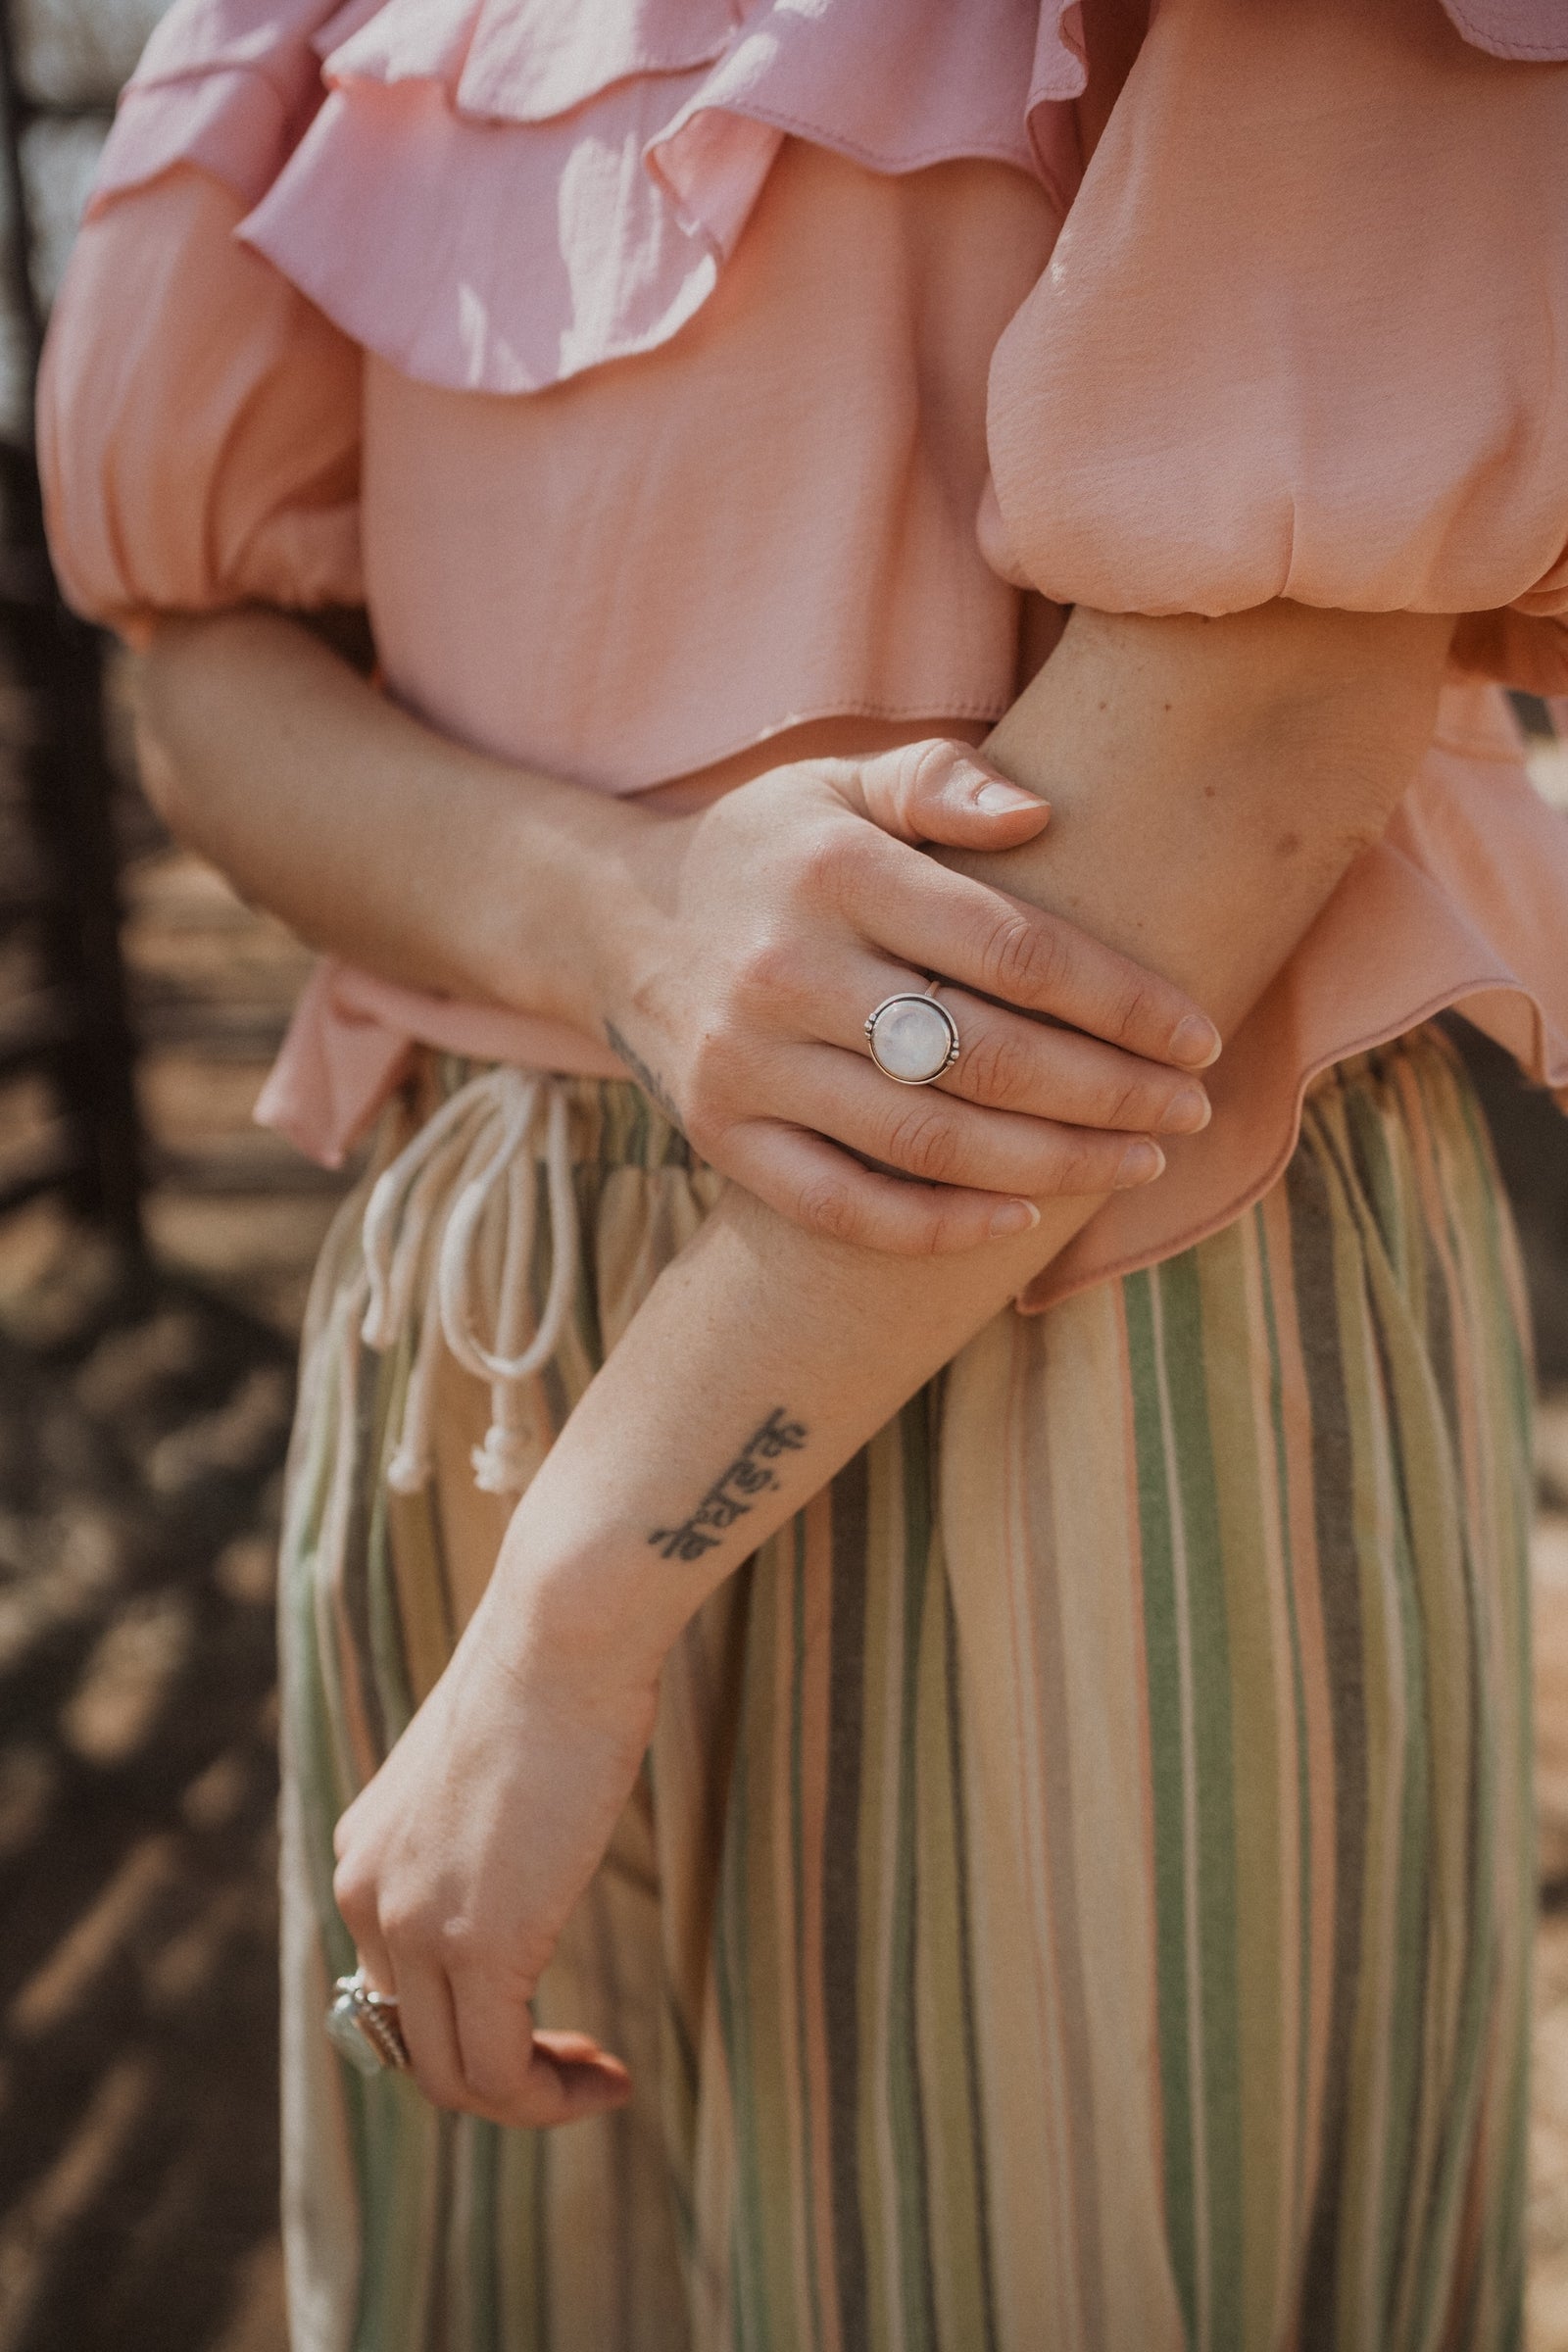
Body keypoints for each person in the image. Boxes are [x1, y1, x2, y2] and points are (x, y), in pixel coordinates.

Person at [36, 0, 1568, 2342]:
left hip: (1088, 1294)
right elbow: (200, 677)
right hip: (485, 1327)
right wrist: (624, 922)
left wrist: (577, 1599)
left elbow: (1263, 695)